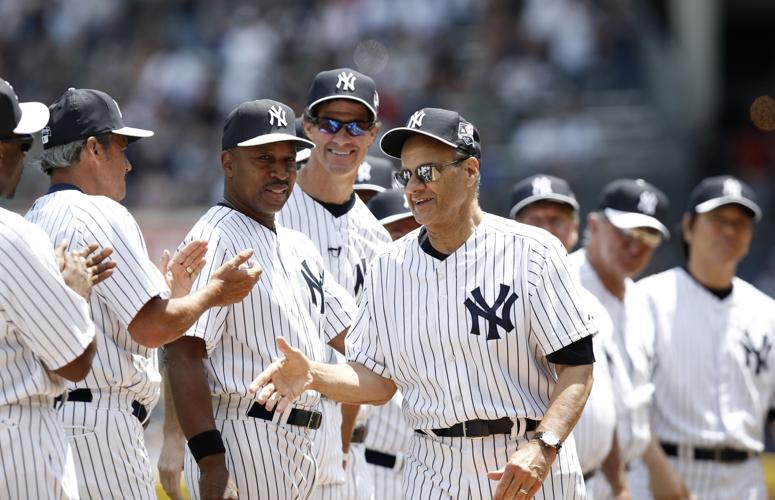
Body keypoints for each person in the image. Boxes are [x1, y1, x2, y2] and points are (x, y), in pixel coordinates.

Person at [252, 107, 597, 500]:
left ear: (470, 171)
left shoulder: (534, 252)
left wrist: (545, 444)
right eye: (406, 175)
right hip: (433, 465)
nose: (414, 187)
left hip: (526, 458)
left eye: (428, 172)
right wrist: (313, 375)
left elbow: (578, 367)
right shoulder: (387, 267)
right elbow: (377, 380)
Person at [25, 87, 261, 500]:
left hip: (43, 426)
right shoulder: (98, 211)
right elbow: (153, 328)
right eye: (121, 147)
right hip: (99, 429)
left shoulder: (31, 220)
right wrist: (213, 294)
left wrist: (175, 295)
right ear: (94, 149)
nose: (130, 164)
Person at [164, 98, 357, 500]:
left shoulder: (297, 244)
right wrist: (211, 460)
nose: (280, 172)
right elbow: (183, 354)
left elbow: (356, 338)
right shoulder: (215, 236)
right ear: (228, 163)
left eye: (289, 160)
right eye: (264, 158)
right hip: (247, 433)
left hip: (309, 441)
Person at [278, 67, 390, 500]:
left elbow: (369, 355)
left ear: (372, 132)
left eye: (356, 125)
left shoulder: (378, 241)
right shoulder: (272, 210)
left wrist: (341, 451)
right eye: (329, 123)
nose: (341, 137)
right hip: (267, 429)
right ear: (308, 127)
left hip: (349, 450)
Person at [637, 175, 775, 499]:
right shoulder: (647, 299)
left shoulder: (767, 312)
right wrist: (659, 471)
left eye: (740, 223)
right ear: (688, 227)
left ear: (750, 237)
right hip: (667, 470)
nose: (729, 230)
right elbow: (629, 403)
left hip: (746, 478)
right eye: (717, 220)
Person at [0, 77, 97, 499]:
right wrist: (75, 292)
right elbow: (74, 362)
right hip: (18, 443)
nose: (25, 159)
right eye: (23, 148)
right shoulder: (13, 236)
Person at [510, 174, 630, 499]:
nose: (547, 230)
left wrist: (618, 484)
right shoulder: (502, 301)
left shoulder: (589, 300)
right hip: (530, 477)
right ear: (512, 229)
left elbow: (604, 400)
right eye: (535, 220)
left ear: (575, 230)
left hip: (592, 481)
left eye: (557, 220)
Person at [569, 178, 689, 499]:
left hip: (630, 475)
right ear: (594, 225)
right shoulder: (562, 286)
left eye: (648, 237)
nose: (635, 247)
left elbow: (630, 402)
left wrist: (658, 471)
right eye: (625, 233)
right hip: (576, 476)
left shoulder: (638, 299)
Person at [362, 187, 418, 499]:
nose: (407, 242)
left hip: (434, 472)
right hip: (374, 469)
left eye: (414, 232)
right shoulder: (359, 304)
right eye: (395, 232)